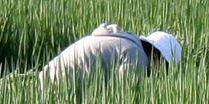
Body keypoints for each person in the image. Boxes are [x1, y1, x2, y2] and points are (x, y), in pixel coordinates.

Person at [39, 25, 182, 85]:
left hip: (46, 78)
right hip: (62, 88)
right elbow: (123, 98)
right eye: (163, 67)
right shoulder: (136, 55)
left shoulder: (121, 42)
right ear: (156, 54)